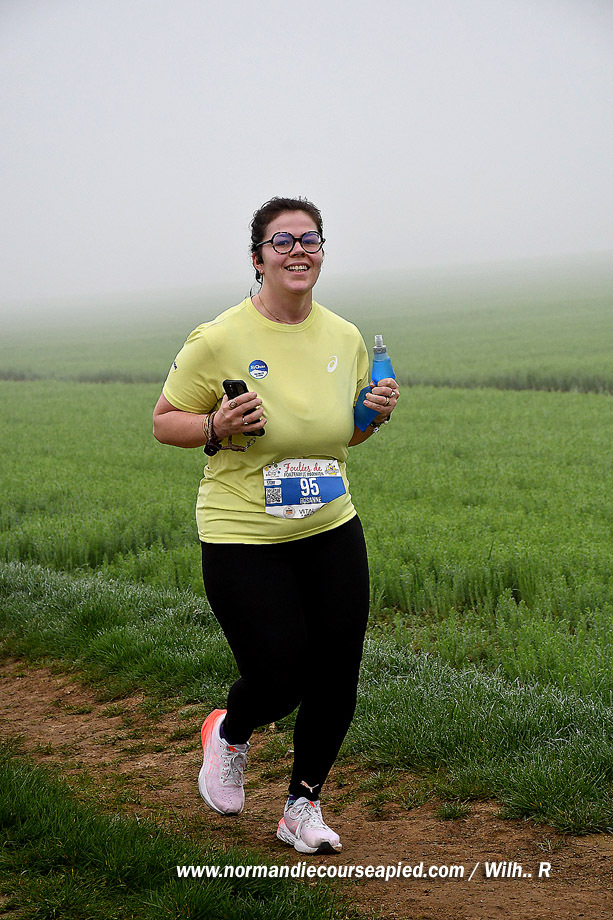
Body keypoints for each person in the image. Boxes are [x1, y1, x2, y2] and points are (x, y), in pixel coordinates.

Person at [153, 197, 399, 855]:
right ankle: (229, 732)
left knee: (337, 670)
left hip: (330, 524)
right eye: (282, 241)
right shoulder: (219, 338)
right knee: (280, 675)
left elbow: (344, 434)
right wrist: (214, 425)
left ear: (322, 251)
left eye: (309, 239)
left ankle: (302, 806)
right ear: (258, 257)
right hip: (244, 534)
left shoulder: (344, 336)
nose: (298, 251)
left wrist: (371, 414)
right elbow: (164, 422)